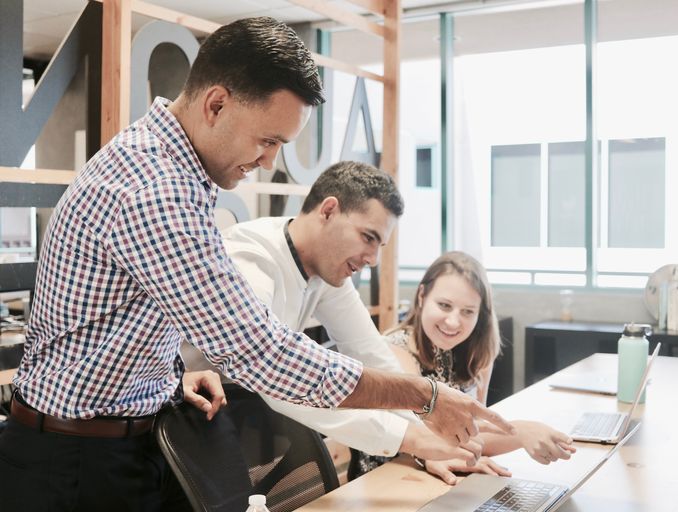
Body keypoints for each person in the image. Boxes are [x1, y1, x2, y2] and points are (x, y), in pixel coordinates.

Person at [0, 18, 512, 512]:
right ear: (216, 104)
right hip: (74, 462)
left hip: (132, 431)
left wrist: (166, 375)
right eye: (268, 140)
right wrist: (424, 396)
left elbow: (118, 317)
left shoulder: (172, 166)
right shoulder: (155, 192)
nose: (269, 161)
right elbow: (259, 352)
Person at [183, 160, 480, 470]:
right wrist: (411, 438)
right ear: (327, 211)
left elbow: (370, 352)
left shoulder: (326, 269)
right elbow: (278, 375)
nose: (374, 259)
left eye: (380, 245)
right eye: (368, 237)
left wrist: (425, 436)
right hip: (180, 418)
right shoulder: (250, 257)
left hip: (235, 419)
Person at [352, 251, 577, 484]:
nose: (453, 321)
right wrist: (518, 430)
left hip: (446, 476)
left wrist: (524, 434)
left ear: (480, 314)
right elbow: (424, 437)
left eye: (468, 311)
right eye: (444, 305)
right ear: (421, 296)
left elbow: (473, 437)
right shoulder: (395, 350)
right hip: (388, 480)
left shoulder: (479, 353)